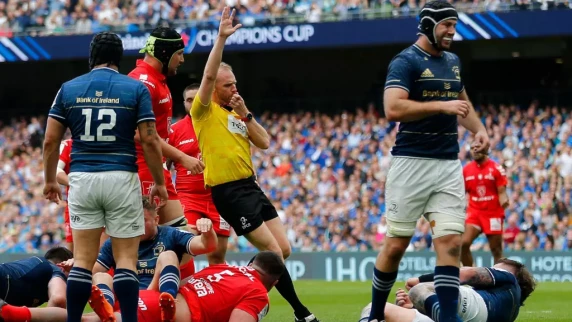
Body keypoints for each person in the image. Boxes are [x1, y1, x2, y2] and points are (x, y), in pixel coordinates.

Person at [190, 7, 318, 322]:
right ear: (215, 88)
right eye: (228, 85)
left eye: (235, 83)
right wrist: (220, 38)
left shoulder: (237, 113)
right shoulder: (204, 111)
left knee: (283, 250)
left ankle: (240, 281)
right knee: (273, 253)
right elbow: (208, 74)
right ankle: (301, 312)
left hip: (252, 187)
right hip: (228, 191)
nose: (235, 88)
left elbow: (264, 142)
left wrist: (246, 113)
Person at [368, 1, 491, 321]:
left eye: (454, 24)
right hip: (411, 163)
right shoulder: (405, 61)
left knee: (450, 244)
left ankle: (448, 319)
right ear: (427, 26)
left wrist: (480, 131)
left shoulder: (452, 61)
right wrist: (442, 107)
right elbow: (393, 108)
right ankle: (378, 314)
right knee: (396, 245)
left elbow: (461, 102)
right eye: (446, 25)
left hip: (448, 165)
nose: (452, 31)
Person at [42, 31, 168, 322]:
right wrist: (160, 183)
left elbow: (50, 140)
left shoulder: (68, 88)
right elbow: (149, 140)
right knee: (126, 261)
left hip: (82, 178)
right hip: (121, 177)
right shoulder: (134, 88)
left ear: (92, 57)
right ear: (119, 58)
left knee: (83, 261)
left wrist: (50, 180)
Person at [1, 251, 286, 322]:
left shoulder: (224, 267)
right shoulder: (258, 293)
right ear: (272, 283)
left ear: (251, 262)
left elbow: (189, 281)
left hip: (152, 296)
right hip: (171, 314)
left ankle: (14, 314)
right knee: (92, 320)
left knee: (88, 317)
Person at [128, 27, 205, 233]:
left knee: (179, 239)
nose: (182, 60)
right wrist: (182, 157)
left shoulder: (156, 80)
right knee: (150, 242)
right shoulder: (141, 82)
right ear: (165, 53)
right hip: (142, 168)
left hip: (155, 167)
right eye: (179, 54)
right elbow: (139, 133)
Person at [168, 83, 230, 265]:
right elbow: (165, 165)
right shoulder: (175, 131)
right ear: (184, 103)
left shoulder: (222, 124)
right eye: (188, 100)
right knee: (185, 250)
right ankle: (174, 291)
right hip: (189, 198)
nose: (192, 103)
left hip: (219, 197)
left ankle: (217, 292)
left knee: (217, 255)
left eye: (197, 99)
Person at [360, 258, 537, 322]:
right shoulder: (510, 312)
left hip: (476, 307)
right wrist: (415, 307)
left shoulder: (509, 277)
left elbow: (464, 273)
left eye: (495, 267)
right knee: (375, 309)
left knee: (418, 290)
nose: (491, 268)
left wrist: (420, 279)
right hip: (461, 314)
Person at [93, 198, 217, 287]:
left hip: (157, 294)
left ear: (156, 220)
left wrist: (208, 231)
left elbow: (206, 245)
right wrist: (75, 267)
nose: (137, 225)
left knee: (168, 256)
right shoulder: (116, 241)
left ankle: (167, 302)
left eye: (143, 220)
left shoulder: (171, 234)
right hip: (127, 297)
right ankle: (107, 314)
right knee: (101, 277)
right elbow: (93, 271)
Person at [56, 138, 109, 252]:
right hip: (76, 203)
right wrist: (75, 183)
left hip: (103, 203)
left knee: (102, 251)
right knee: (73, 252)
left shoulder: (107, 142)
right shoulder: (68, 144)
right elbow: (56, 170)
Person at [461, 145, 509, 266]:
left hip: (493, 213)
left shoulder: (496, 168)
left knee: (496, 249)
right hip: (475, 212)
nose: (475, 150)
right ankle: (470, 275)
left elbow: (502, 192)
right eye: (472, 148)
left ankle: (499, 279)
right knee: (463, 244)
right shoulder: (466, 170)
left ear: (486, 149)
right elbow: (461, 192)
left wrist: (504, 201)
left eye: (478, 147)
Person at [0, 247, 72, 315]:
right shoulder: (55, 268)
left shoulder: (37, 269)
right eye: (72, 272)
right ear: (62, 265)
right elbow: (58, 299)